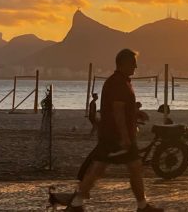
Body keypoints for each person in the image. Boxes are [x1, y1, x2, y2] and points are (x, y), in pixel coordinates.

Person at [66, 49, 162, 212]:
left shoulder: (121, 81)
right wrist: (125, 137)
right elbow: (117, 111)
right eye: (133, 63)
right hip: (116, 136)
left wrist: (135, 113)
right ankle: (141, 206)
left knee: (112, 168)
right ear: (123, 64)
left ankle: (77, 203)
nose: (136, 66)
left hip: (112, 135)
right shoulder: (118, 83)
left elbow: (121, 108)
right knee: (118, 168)